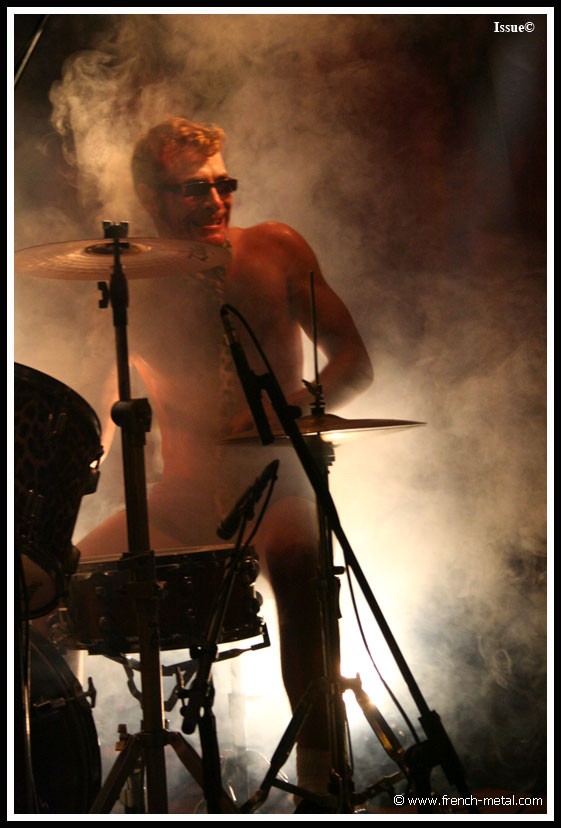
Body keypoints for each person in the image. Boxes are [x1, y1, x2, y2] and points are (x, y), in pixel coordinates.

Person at [75, 116, 374, 812]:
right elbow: (104, 389)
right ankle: (61, 777)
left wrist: (284, 408)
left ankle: (319, 784)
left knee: (301, 569)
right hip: (183, 494)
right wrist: (74, 474)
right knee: (52, 591)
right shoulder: (129, 280)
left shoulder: (275, 247)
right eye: (192, 189)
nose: (214, 201)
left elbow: (354, 362)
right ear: (152, 197)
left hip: (275, 482)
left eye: (222, 184)